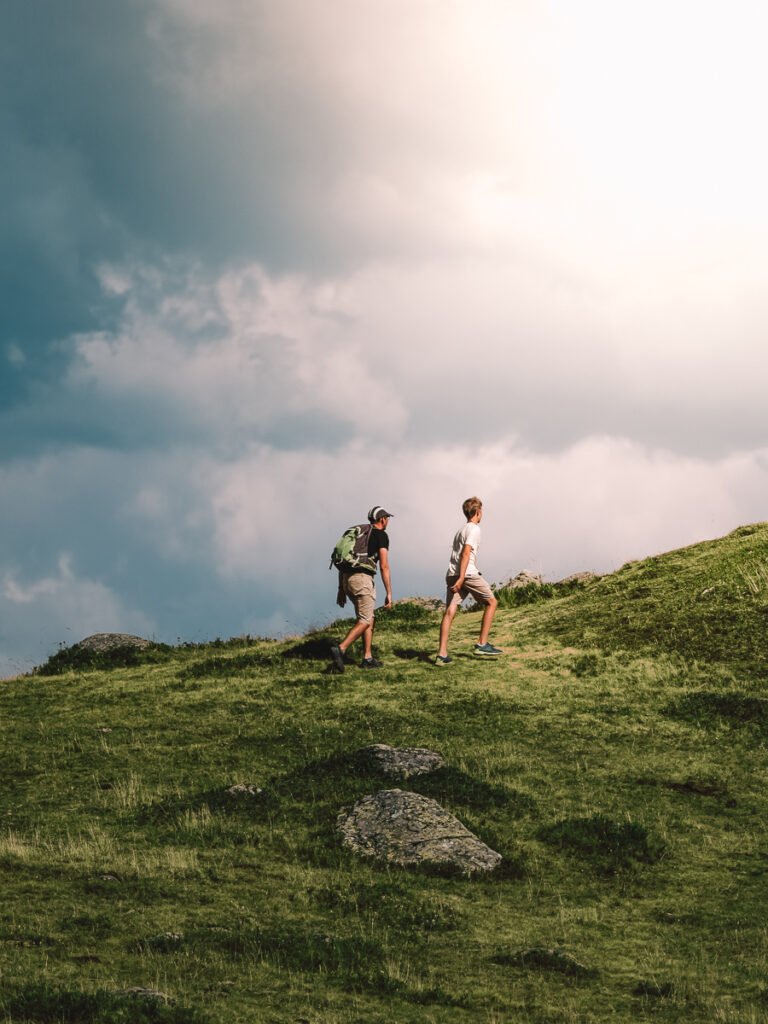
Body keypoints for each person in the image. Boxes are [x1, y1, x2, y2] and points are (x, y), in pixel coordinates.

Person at [435, 496, 501, 664]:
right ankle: (482, 644)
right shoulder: (474, 529)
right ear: (478, 512)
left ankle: (441, 655)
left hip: (452, 574)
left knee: (450, 612)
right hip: (467, 574)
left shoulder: (460, 530)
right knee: (492, 602)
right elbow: (466, 553)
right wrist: (463, 577)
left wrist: (458, 578)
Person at [330, 506, 393, 672]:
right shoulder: (381, 535)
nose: (388, 521)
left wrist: (341, 589)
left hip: (347, 579)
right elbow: (384, 566)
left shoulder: (361, 534)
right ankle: (341, 649)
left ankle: (367, 658)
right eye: (387, 518)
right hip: (362, 580)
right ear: (382, 519)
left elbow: (347, 560)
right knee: (365, 620)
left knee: (368, 618)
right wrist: (389, 593)